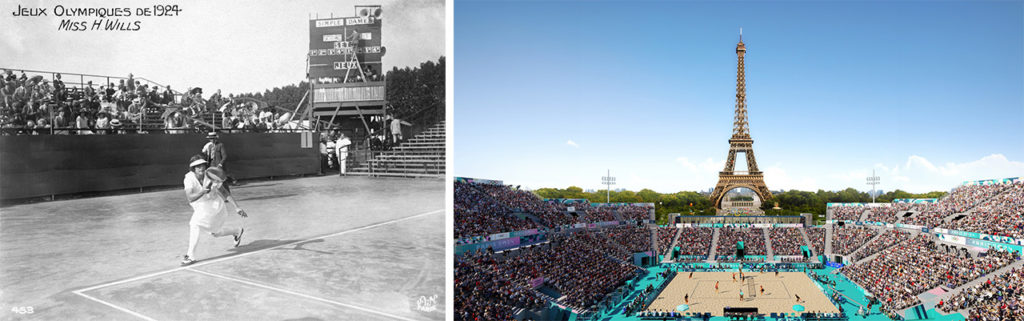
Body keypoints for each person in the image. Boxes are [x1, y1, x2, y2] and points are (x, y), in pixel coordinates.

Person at [181, 155, 247, 265]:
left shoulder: (211, 175)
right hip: (200, 207)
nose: (201, 168)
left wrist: (236, 207)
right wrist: (203, 191)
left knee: (194, 224)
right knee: (215, 233)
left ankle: (190, 256)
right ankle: (237, 231)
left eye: (202, 165)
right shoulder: (188, 178)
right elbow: (190, 198)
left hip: (215, 206)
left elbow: (225, 193)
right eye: (197, 166)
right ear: (193, 169)